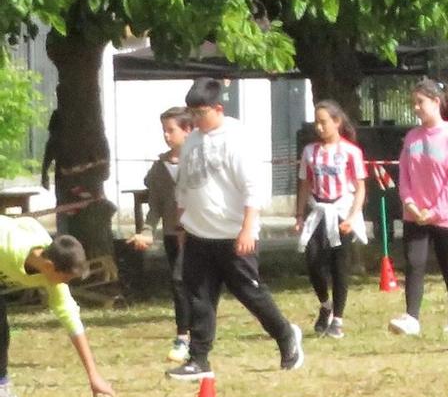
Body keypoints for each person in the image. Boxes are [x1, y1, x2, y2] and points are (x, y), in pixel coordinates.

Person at [169, 77, 305, 380]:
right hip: (198, 234)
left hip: (232, 234)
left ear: (218, 108)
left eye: (201, 113)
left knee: (250, 294)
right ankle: (199, 360)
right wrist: (182, 223)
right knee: (199, 297)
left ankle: (287, 337)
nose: (196, 120)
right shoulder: (192, 140)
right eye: (191, 114)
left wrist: (247, 228)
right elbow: (185, 185)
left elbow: (252, 187)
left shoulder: (236, 138)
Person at [0, 222, 114, 397]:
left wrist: (93, 376)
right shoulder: (7, 247)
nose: (65, 284)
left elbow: (71, 318)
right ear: (49, 266)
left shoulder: (50, 262)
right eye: (66, 278)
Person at [389, 79, 448, 336]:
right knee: (414, 263)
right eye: (413, 103)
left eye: (420, 102)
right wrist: (410, 203)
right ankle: (411, 317)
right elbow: (404, 173)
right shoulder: (412, 137)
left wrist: (435, 211)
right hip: (414, 215)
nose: (415, 108)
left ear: (436, 103)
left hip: (446, 216)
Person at [295, 100, 368, 339]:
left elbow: (360, 187)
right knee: (313, 260)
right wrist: (298, 214)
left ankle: (338, 319)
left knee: (339, 266)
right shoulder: (309, 152)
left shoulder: (351, 152)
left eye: (323, 122)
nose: (319, 127)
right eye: (316, 122)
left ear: (336, 122)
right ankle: (325, 305)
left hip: (341, 211)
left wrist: (352, 216)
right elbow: (305, 184)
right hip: (318, 211)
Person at [128, 106, 193, 361]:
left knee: (191, 284)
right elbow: (154, 206)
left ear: (188, 130)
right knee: (178, 283)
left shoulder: (199, 160)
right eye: (164, 130)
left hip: (198, 235)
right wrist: (146, 231)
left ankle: (192, 334)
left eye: (171, 130)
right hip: (171, 235)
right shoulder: (159, 168)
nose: (167, 135)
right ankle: (184, 336)